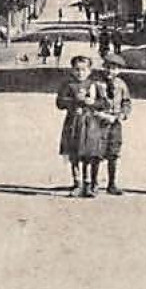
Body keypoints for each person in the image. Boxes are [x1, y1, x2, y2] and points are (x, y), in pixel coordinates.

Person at [56, 55, 98, 197]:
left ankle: (88, 184)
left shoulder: (94, 85)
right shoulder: (68, 85)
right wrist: (73, 102)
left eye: (84, 70)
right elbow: (60, 103)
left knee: (87, 153)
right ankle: (77, 183)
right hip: (73, 123)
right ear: (72, 70)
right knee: (74, 153)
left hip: (89, 124)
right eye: (77, 70)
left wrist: (92, 103)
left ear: (90, 71)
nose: (80, 73)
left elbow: (104, 103)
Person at [94, 52, 133, 194]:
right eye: (108, 67)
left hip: (115, 122)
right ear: (104, 67)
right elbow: (92, 102)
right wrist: (99, 114)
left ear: (119, 70)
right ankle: (94, 183)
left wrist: (122, 115)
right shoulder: (97, 84)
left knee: (114, 152)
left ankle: (112, 184)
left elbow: (127, 102)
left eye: (115, 68)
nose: (111, 71)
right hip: (99, 121)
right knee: (96, 152)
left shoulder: (121, 85)